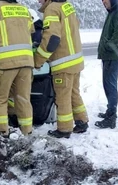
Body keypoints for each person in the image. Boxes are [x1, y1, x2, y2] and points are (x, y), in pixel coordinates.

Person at [34, 0, 89, 138]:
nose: (38, 1)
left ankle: (64, 129)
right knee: (74, 93)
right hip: (75, 61)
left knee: (62, 98)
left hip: (63, 63)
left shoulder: (52, 9)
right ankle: (82, 121)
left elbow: (52, 39)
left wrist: (38, 60)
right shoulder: (67, 5)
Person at [0, 0, 35, 136]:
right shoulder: (23, 9)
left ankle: (1, 134)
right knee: (23, 99)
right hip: (26, 63)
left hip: (5, 64)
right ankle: (27, 132)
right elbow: (31, 30)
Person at [95, 0, 118, 129]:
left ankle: (111, 118)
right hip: (109, 56)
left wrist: (107, 46)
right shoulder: (113, 11)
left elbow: (117, 38)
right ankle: (110, 111)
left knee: (110, 86)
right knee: (107, 85)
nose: (103, 2)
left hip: (113, 57)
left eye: (105, 0)